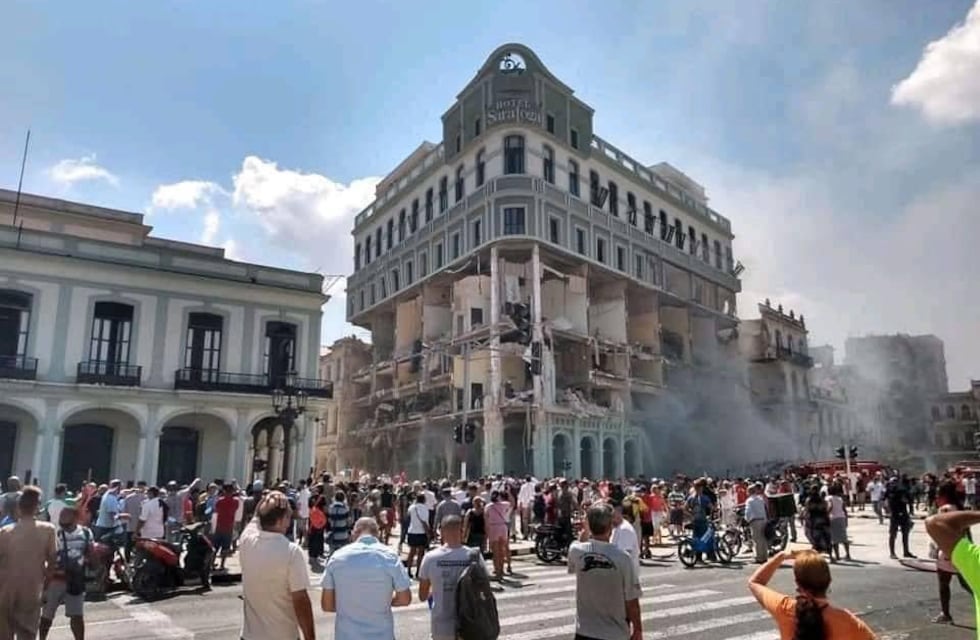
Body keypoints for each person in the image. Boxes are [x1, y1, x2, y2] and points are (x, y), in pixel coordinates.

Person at [748, 549, 876, 639]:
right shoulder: (848, 621)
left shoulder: (785, 608)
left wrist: (782, 556)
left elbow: (755, 582)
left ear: (798, 583)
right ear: (829, 581)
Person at [238, 491, 315, 640]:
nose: (289, 522)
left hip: (249, 636)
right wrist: (310, 637)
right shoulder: (291, 552)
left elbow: (256, 516)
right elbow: (301, 600)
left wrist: (269, 497)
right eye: (288, 517)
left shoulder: (246, 541)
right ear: (280, 521)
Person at [320, 517, 411, 639]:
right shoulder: (390, 557)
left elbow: (327, 605)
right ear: (377, 534)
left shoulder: (337, 557)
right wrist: (384, 602)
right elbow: (405, 599)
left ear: (354, 533)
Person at [568, 502, 642, 640]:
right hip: (615, 633)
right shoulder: (622, 558)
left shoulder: (576, 551)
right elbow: (632, 600)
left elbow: (580, 543)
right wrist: (638, 629)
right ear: (610, 526)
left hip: (584, 631)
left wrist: (586, 529)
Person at [0, 486, 58, 640]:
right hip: (32, 588)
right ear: (37, 507)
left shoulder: (5, 531)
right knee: (27, 633)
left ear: (19, 507)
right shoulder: (48, 530)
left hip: (5, 588)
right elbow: (52, 561)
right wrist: (46, 586)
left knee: (4, 634)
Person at [418, 515, 486, 640]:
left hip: (441, 625)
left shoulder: (430, 558)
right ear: (462, 530)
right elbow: (484, 588)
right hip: (470, 624)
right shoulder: (475, 556)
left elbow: (422, 596)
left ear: (441, 532)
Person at [39, 504, 93, 640]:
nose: (62, 522)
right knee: (47, 616)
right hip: (56, 580)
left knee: (77, 616)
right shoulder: (55, 534)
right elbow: (47, 557)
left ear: (75, 518)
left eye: (66, 518)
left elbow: (91, 553)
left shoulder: (86, 533)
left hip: (75, 581)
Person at [210, 483, 241, 571]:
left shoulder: (219, 501)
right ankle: (222, 565)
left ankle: (212, 564)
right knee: (225, 548)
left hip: (219, 527)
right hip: (228, 527)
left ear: (224, 491)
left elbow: (216, 509)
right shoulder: (235, 501)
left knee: (215, 547)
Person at [486, 490, 512, 579]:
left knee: (495, 552)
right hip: (503, 527)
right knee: (502, 551)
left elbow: (486, 521)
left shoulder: (488, 507)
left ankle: (497, 572)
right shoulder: (505, 504)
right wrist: (509, 491)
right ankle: (501, 569)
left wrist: (487, 534)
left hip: (493, 528)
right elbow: (512, 503)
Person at [405, 492, 431, 579]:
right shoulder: (425, 508)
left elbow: (408, 516)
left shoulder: (412, 507)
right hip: (421, 533)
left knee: (411, 552)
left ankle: (408, 570)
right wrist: (429, 533)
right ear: (424, 500)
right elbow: (425, 521)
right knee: (420, 553)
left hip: (412, 531)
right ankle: (418, 571)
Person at [744, 483, 769, 564]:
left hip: (755, 520)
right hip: (763, 519)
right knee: (763, 538)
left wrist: (747, 520)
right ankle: (765, 556)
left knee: (757, 540)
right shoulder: (760, 499)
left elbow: (748, 511)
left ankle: (759, 557)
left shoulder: (749, 500)